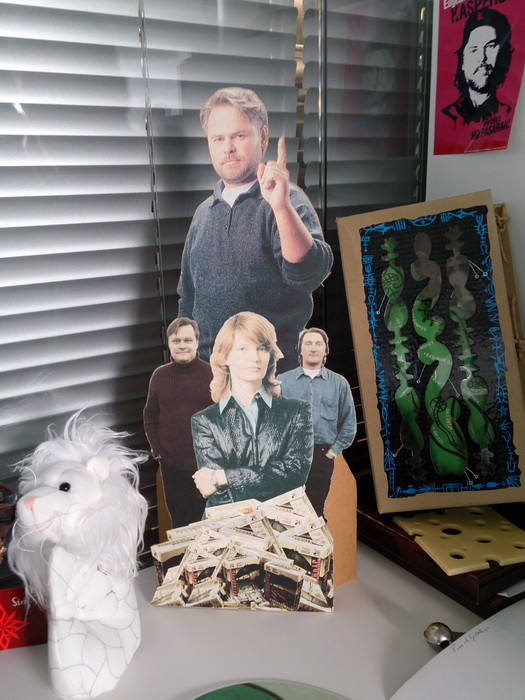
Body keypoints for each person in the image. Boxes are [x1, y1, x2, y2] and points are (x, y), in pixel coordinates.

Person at [177, 86, 333, 372]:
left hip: (273, 374)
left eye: (238, 136)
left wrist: (281, 208)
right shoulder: (203, 214)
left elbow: (308, 274)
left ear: (262, 137)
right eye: (218, 138)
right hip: (213, 377)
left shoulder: (286, 200)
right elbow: (188, 299)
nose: (228, 148)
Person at [191, 312, 313, 508]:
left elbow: (295, 475)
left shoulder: (297, 411)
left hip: (285, 521)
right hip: (230, 524)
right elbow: (218, 494)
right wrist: (276, 477)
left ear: (270, 355)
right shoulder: (205, 421)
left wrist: (223, 477)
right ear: (225, 357)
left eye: (262, 348)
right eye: (243, 348)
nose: (254, 357)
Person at [278, 328, 356, 517]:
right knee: (288, 511)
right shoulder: (282, 382)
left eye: (318, 344)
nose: (313, 348)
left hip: (322, 455)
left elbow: (349, 423)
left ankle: (314, 536)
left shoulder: (339, 383)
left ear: (325, 350)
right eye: (308, 343)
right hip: (290, 455)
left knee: (316, 511)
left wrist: (332, 452)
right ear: (300, 349)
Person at [143, 317, 213, 527]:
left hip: (206, 467)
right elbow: (150, 415)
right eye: (176, 341)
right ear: (169, 344)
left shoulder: (212, 374)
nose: (182, 345)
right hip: (172, 468)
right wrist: (157, 450)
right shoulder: (159, 376)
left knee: (207, 524)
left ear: (197, 342)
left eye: (187, 340)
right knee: (180, 524)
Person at [442, 8, 513, 127]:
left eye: (490, 47)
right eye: (474, 50)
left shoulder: (509, 113)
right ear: (462, 61)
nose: (482, 58)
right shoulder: (449, 117)